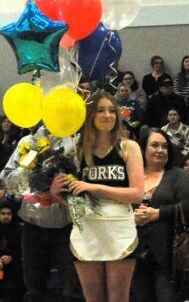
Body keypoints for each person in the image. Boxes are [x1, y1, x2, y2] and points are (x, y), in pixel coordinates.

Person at [51, 91, 145, 302]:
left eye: (112, 110)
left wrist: (95, 187)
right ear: (89, 115)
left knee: (118, 299)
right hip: (86, 228)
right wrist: (56, 193)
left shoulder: (129, 147)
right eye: (100, 110)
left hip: (119, 227)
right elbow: (73, 199)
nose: (108, 115)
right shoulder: (76, 150)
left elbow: (137, 194)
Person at [0, 125, 84, 302]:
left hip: (68, 226)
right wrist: (30, 170)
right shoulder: (28, 142)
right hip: (33, 227)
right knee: (33, 290)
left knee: (73, 290)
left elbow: (85, 186)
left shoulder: (78, 142)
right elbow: (7, 180)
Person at [131, 128, 189, 302]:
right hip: (133, 254)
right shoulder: (130, 176)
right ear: (143, 149)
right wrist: (131, 218)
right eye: (154, 145)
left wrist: (158, 213)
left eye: (164, 146)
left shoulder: (177, 175)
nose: (160, 150)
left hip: (169, 256)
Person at [0, 201, 24, 301]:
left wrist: (12, 257)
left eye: (9, 214)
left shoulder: (19, 229)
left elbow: (23, 248)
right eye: (3, 213)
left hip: (15, 266)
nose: (6, 216)